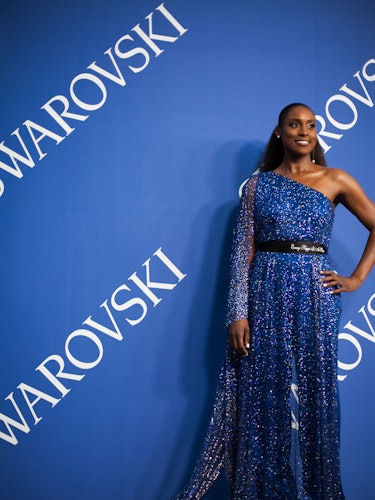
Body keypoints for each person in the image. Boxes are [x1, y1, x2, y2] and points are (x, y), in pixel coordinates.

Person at [175, 103, 375, 499]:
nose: (304, 131)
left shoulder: (335, 179)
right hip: (265, 292)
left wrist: (356, 278)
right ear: (279, 132)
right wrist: (237, 313)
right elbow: (242, 254)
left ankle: (322, 492)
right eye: (295, 124)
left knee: (319, 398)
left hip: (316, 295)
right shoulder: (257, 187)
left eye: (312, 125)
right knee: (262, 398)